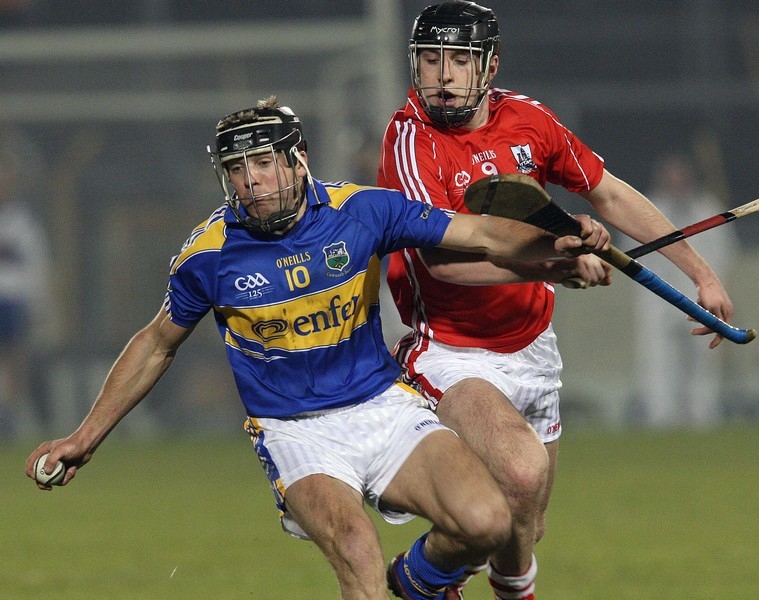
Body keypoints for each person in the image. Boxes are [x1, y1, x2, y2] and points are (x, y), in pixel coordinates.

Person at [26, 96, 611, 600]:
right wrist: (84, 438)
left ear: (297, 160)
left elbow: (482, 233)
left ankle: (412, 582)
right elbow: (156, 344)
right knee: (356, 555)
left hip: (382, 406)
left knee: (487, 523)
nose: (249, 180)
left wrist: (553, 249)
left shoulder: (362, 211)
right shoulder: (209, 255)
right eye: (235, 169)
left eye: (262, 163)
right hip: (295, 431)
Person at [378, 2, 735, 598]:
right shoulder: (410, 140)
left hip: (533, 345)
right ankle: (417, 581)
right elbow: (440, 263)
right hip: (451, 350)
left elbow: (609, 195)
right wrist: (557, 263)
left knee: (526, 526)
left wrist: (702, 275)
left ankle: (456, 584)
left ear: (488, 65)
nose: (442, 75)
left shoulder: (529, 119)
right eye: (431, 59)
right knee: (519, 471)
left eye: (458, 60)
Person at [634, 153, 739, 428]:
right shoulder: (646, 209)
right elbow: (633, 258)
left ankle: (703, 420)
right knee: (658, 364)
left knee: (704, 363)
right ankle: (660, 422)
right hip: (657, 301)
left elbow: (724, 254)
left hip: (700, 300)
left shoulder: (708, 209)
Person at [0, 130, 50, 438]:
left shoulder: (23, 222)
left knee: (14, 361)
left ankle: (12, 417)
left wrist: (40, 309)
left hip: (12, 304)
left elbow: (37, 268)